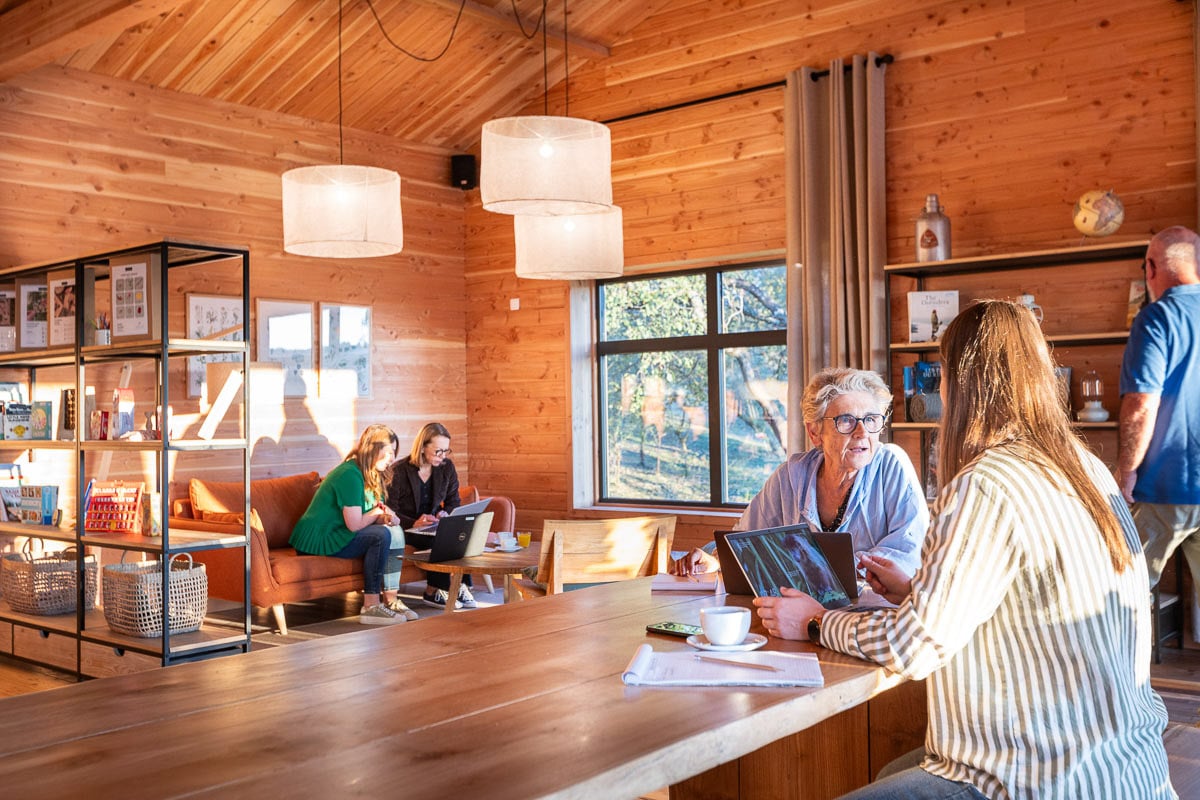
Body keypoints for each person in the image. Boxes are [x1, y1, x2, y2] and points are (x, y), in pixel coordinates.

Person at [756, 300, 1175, 799]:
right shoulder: (1087, 468)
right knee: (892, 769)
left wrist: (814, 620)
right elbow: (1029, 597)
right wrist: (916, 589)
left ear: (963, 383)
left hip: (1032, 778)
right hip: (1125, 768)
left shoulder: (985, 482)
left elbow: (914, 646)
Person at [669, 367, 928, 586]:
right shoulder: (791, 476)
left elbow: (907, 553)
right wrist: (714, 559)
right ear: (815, 432)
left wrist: (818, 572)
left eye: (871, 419)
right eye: (847, 420)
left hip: (872, 619)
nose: (862, 432)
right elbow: (745, 540)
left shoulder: (891, 465)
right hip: (798, 615)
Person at [1119, 225, 1200, 602]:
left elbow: (1140, 407)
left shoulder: (1156, 319)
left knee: (1123, 591)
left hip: (1165, 486)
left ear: (1151, 267)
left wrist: (1126, 473)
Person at [289, 424, 418, 625]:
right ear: (371, 450)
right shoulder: (349, 474)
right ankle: (371, 606)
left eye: (394, 452)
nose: (392, 459)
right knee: (380, 536)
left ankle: (391, 601)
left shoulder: (372, 473)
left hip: (340, 531)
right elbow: (354, 524)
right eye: (389, 452)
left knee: (392, 530)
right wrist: (377, 512)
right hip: (321, 538)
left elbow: (369, 512)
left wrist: (383, 517)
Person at [386, 422, 475, 610]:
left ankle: (460, 586)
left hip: (432, 524)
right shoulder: (399, 471)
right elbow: (390, 509)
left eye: (446, 451)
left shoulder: (446, 467)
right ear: (422, 447)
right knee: (441, 538)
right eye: (437, 451)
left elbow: (453, 501)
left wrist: (446, 513)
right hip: (405, 526)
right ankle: (433, 592)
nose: (442, 456)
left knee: (461, 532)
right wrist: (415, 522)